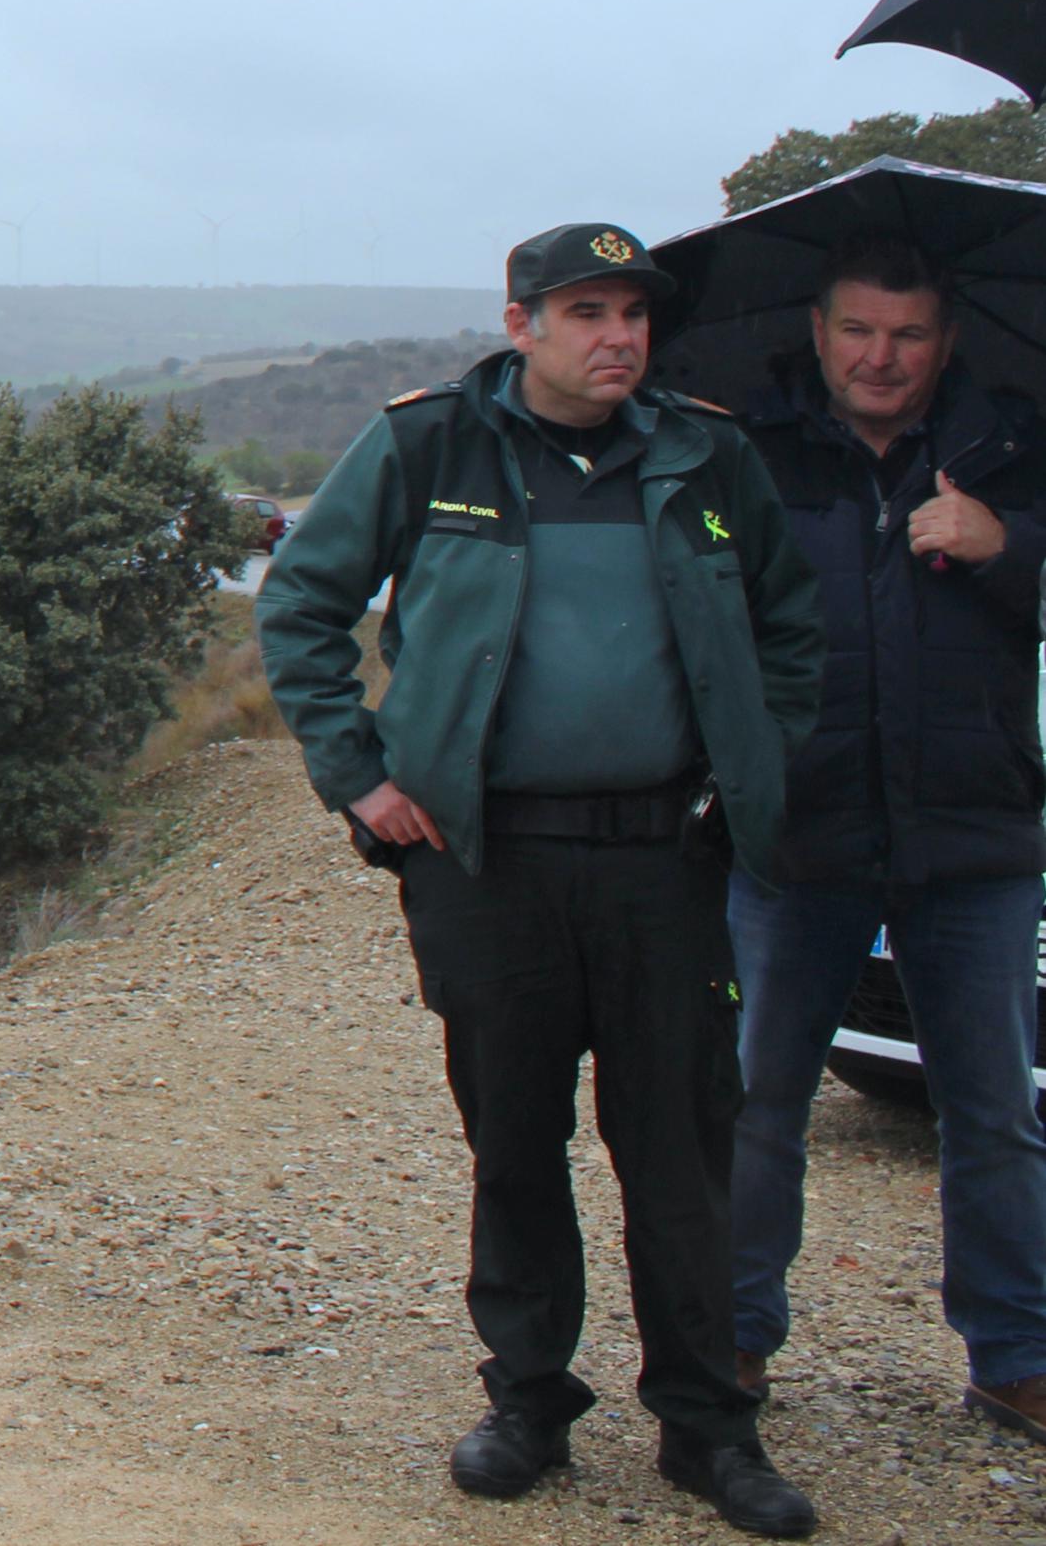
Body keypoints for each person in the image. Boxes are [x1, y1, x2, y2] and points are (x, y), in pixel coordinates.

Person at [262, 223, 827, 1537]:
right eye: (584, 311)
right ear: (518, 322)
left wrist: (751, 760)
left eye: (632, 312)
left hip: (661, 861)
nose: (615, 336)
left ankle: (704, 1423)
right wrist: (358, 776)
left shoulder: (705, 453)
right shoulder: (429, 445)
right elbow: (298, 603)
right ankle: (526, 1399)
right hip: (485, 860)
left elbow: (786, 625)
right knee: (513, 1138)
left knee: (680, 1148)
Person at [727, 232, 1046, 1433]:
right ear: (816, 333)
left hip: (972, 836)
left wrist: (1004, 543)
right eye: (856, 330)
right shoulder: (748, 455)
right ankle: (731, 1341)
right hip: (795, 836)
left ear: (944, 340)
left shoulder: (1012, 445)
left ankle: (1014, 1356)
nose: (880, 356)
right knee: (757, 1102)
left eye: (907, 334)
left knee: (993, 1112)